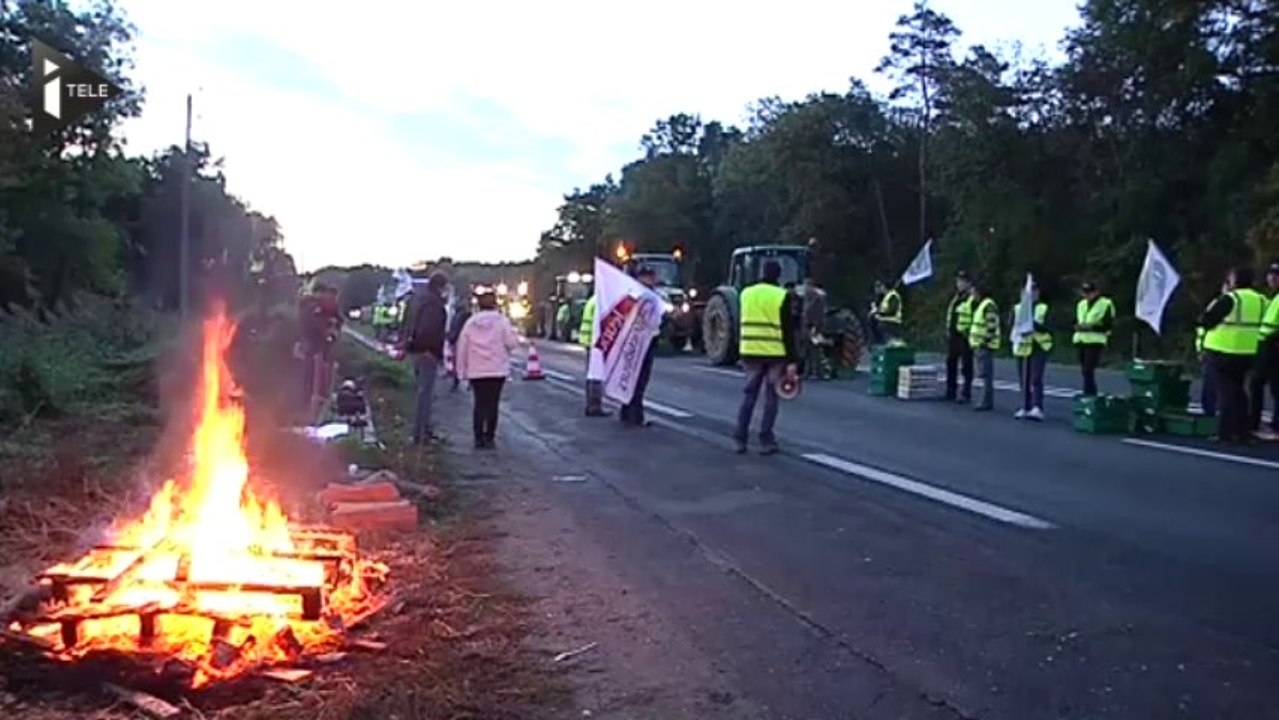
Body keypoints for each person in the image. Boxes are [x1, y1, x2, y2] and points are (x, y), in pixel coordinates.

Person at [733, 260, 799, 454]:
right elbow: (787, 330)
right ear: (778, 275)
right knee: (771, 397)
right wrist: (792, 360)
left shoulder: (746, 293)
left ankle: (740, 438)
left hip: (750, 351)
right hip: (774, 354)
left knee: (749, 395)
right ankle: (766, 439)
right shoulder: (781, 296)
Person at [1199, 265, 1266, 445]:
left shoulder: (1231, 299)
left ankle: (1225, 433)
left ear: (1235, 280)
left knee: (1227, 393)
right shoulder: (1261, 300)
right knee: (1239, 392)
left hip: (1223, 351)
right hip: (1249, 353)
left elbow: (1206, 320)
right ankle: (1243, 432)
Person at [455, 288, 521, 449]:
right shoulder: (502, 321)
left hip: (476, 370)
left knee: (479, 403)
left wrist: (461, 371)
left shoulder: (471, 323)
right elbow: (512, 344)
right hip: (497, 369)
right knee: (493, 404)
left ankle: (478, 438)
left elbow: (462, 347)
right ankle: (489, 438)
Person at [402, 271, 449, 445]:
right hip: (426, 352)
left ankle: (424, 431)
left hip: (415, 350)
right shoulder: (434, 304)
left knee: (422, 392)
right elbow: (429, 329)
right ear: (440, 286)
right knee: (425, 394)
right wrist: (430, 350)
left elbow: (408, 323)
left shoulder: (419, 300)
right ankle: (420, 435)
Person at [619, 267, 661, 427]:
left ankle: (626, 412)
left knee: (632, 378)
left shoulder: (634, 292)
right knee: (639, 380)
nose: (654, 279)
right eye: (651, 276)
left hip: (637, 341)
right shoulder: (646, 295)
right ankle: (636, 416)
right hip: (642, 342)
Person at [1249, 262, 1279, 440]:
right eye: (1271, 274)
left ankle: (1268, 425)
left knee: (1267, 385)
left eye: (1277, 275)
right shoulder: (1273, 297)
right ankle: (1262, 422)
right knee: (1262, 385)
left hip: (1273, 345)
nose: (1272, 278)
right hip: (1266, 345)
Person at [1012, 283, 1050, 421]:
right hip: (1022, 347)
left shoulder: (1043, 308)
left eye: (1034, 291)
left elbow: (1048, 327)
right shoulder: (1018, 308)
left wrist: (1034, 325)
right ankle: (1025, 406)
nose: (1031, 294)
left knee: (1036, 378)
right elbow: (1012, 324)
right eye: (1028, 291)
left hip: (1038, 346)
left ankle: (1037, 407)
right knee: (1024, 378)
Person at [1072, 281, 1115, 396]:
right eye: (1085, 293)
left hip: (1095, 340)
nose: (1087, 295)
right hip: (1081, 340)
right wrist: (1077, 326)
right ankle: (1088, 392)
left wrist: (1091, 327)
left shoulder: (1106, 304)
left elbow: (1108, 325)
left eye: (1090, 292)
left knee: (1088, 369)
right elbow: (1075, 320)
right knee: (1084, 371)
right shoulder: (1081, 304)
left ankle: (1090, 394)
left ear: (1096, 292)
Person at [968, 281, 1000, 412]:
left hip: (985, 345)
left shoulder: (988, 306)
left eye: (973, 291)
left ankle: (986, 401)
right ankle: (984, 400)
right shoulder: (982, 305)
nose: (972, 294)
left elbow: (991, 326)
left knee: (986, 375)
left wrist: (984, 341)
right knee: (982, 374)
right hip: (979, 344)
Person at [943, 271, 975, 403]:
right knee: (951, 361)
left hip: (965, 335)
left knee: (966, 364)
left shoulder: (971, 298)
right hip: (954, 335)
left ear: (968, 283)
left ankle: (966, 392)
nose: (959, 284)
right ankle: (951, 390)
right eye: (958, 281)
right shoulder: (956, 297)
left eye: (962, 281)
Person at [1195, 287, 1224, 418]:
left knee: (1215, 383)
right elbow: (1202, 327)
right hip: (1215, 347)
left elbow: (1203, 324)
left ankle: (1212, 411)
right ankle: (1211, 411)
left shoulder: (1223, 302)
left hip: (1217, 348)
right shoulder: (1218, 303)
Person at [578, 292, 606, 416]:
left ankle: (592, 404)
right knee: (596, 376)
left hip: (591, 342)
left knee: (592, 375)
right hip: (595, 343)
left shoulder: (592, 301)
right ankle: (594, 406)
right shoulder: (599, 302)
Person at [801, 277, 828, 380]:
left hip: (812, 326)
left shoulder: (813, 297)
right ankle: (813, 372)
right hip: (814, 326)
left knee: (812, 350)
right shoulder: (817, 296)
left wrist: (814, 327)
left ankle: (814, 372)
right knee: (812, 350)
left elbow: (811, 313)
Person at [446, 295, 472, 392]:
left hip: (459, 340)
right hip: (462, 340)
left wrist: (451, 337)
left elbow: (456, 328)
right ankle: (466, 382)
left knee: (457, 361)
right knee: (464, 362)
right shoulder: (464, 315)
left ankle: (457, 381)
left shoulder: (459, 315)